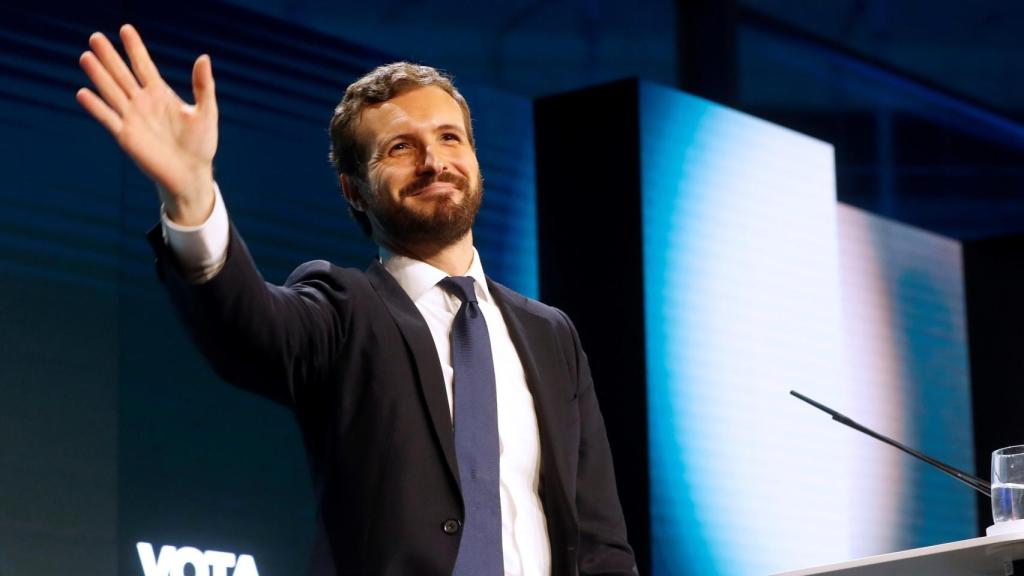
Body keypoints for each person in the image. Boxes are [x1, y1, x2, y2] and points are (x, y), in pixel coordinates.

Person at [77, 24, 636, 576]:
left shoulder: (550, 334)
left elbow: (599, 538)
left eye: (449, 137)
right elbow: (246, 325)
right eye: (400, 147)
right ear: (353, 189)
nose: (433, 161)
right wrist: (192, 195)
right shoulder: (342, 308)